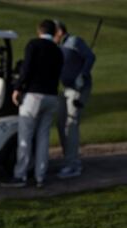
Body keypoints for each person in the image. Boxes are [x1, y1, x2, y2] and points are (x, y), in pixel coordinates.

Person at [2, 19, 63, 188]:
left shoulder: (34, 45)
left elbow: (26, 69)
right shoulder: (58, 50)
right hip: (52, 97)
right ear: (54, 31)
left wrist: (17, 87)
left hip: (34, 97)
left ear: (39, 30)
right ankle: (40, 177)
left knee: (26, 137)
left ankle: (20, 175)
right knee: (43, 138)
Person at [54, 20, 96, 179]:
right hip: (66, 89)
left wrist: (82, 74)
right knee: (60, 122)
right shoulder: (58, 47)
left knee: (71, 124)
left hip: (79, 88)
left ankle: (73, 165)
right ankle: (68, 158)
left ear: (59, 32)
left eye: (54, 33)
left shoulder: (75, 41)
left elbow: (90, 57)